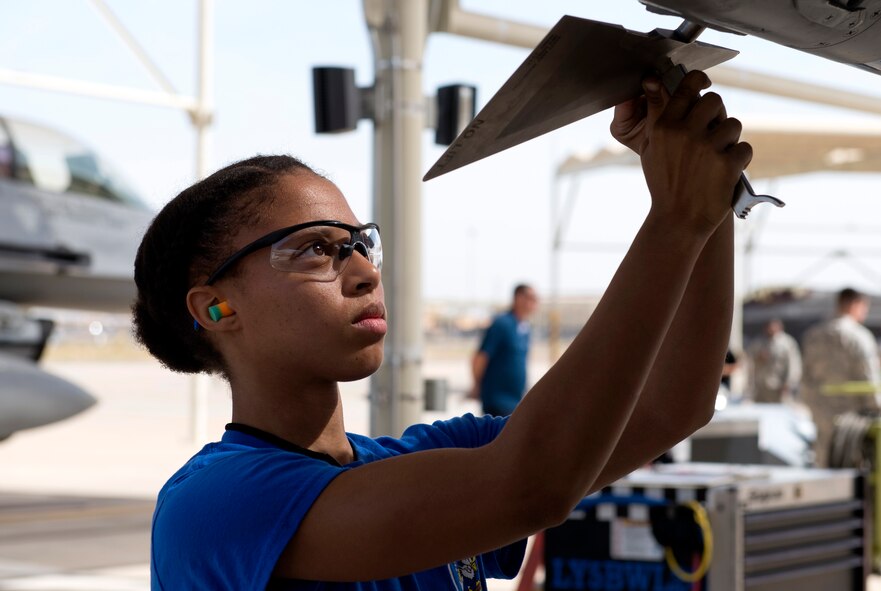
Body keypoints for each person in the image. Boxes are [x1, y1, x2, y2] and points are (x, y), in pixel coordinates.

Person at [136, 70, 749, 589]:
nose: (363, 273)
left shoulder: (432, 457)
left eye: (360, 245)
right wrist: (674, 220)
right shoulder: (213, 503)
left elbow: (671, 406)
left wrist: (709, 199)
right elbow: (532, 484)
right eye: (315, 250)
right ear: (216, 308)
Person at [801, 288, 881, 467]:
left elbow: (805, 381)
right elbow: (868, 381)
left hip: (822, 420)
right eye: (864, 307)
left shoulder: (814, 335)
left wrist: (816, 410)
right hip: (854, 427)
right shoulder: (859, 337)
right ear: (855, 304)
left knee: (824, 470)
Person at [469, 284, 539, 416]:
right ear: (518, 298)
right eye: (531, 298)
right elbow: (480, 357)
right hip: (497, 401)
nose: (535, 302)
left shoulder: (525, 328)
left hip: (516, 400)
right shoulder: (502, 324)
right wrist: (476, 385)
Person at [747, 318, 802, 403]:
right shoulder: (759, 342)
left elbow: (794, 364)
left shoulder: (787, 343)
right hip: (761, 387)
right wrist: (759, 357)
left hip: (778, 387)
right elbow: (749, 360)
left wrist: (789, 383)